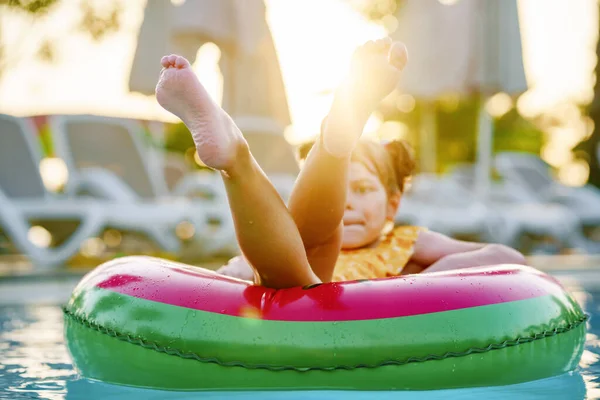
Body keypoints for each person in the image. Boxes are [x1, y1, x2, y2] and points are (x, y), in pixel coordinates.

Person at [155, 37, 526, 289]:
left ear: (393, 203)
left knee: (294, 257)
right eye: (341, 188)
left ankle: (239, 158)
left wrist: (420, 277)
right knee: (298, 243)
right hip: (293, 280)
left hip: (301, 284)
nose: (347, 202)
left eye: (363, 189)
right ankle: (329, 143)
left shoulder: (405, 244)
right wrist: (241, 269)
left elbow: (504, 256)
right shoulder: (277, 235)